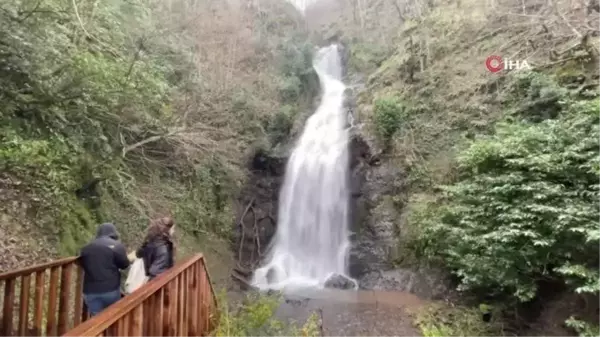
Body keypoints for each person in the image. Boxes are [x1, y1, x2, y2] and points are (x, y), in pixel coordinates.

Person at [79, 223, 130, 316]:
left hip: (90, 291)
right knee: (112, 317)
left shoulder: (86, 248)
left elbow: (83, 264)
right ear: (113, 233)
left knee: (95, 319)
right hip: (111, 290)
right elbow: (125, 265)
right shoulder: (117, 246)